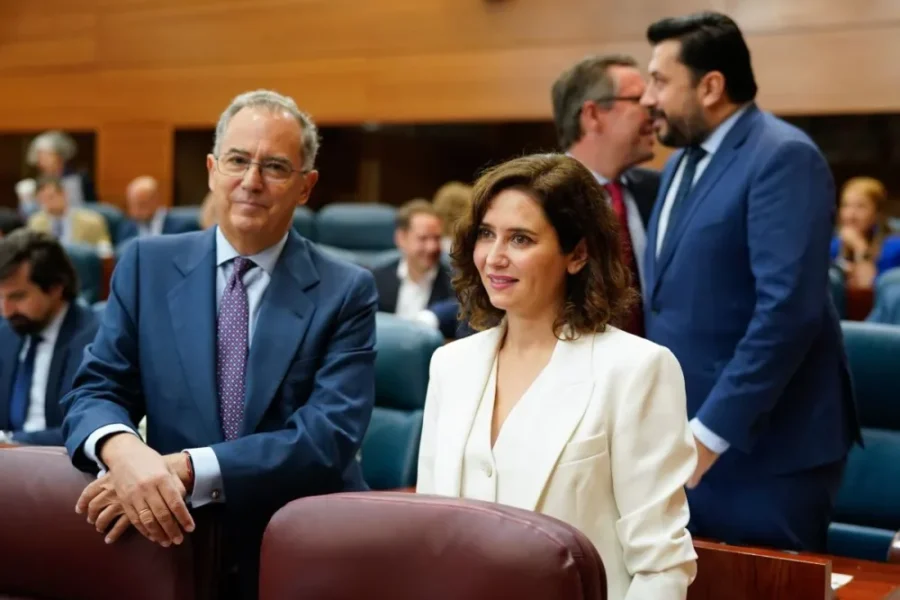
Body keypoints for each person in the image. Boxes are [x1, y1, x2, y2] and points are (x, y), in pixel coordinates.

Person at [61, 89, 378, 599]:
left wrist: (186, 468)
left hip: (298, 545)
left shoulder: (346, 289)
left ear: (305, 186)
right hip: (170, 537)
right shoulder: (146, 265)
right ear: (212, 170)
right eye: (237, 160)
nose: (251, 181)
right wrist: (124, 452)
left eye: (275, 167)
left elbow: (327, 438)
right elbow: (95, 389)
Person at [417, 154, 697, 600]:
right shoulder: (450, 365)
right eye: (487, 234)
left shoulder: (636, 370)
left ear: (577, 254)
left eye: (521, 239)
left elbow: (661, 567)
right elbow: (429, 538)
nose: (495, 257)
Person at [640, 12, 860, 552]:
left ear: (711, 86)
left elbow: (787, 312)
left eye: (660, 81)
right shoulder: (679, 163)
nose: (648, 98)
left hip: (765, 451)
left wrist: (709, 432)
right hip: (686, 444)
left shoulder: (782, 156)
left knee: (763, 585)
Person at [552, 54, 659, 336]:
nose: (653, 105)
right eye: (638, 99)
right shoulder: (538, 196)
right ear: (593, 115)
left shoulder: (657, 189)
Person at [0, 229, 98, 446]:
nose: (6, 311)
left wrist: (11, 441)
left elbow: (86, 428)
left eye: (17, 297)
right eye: (0, 297)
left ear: (55, 288)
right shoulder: (6, 334)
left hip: (63, 462)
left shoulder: (95, 340)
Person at [371, 199, 454, 319]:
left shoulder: (455, 285)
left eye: (436, 238)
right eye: (423, 238)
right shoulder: (377, 280)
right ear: (401, 238)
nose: (432, 247)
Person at [831, 176, 900, 289]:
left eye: (860, 207)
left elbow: (867, 285)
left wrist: (860, 248)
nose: (851, 215)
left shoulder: (894, 247)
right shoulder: (833, 245)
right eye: (846, 205)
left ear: (877, 213)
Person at [18, 130, 97, 214]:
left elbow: (88, 207)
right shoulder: (36, 181)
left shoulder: (77, 179)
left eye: (46, 156)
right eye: (39, 157)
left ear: (59, 156)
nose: (41, 161)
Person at [27, 176, 111, 248]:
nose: (47, 204)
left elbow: (105, 252)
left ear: (64, 194)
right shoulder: (35, 224)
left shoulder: (92, 222)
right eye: (42, 200)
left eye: (50, 197)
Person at [117, 176, 198, 242]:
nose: (136, 210)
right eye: (132, 205)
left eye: (141, 204)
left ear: (156, 200)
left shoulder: (182, 225)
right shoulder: (128, 228)